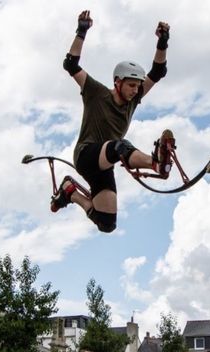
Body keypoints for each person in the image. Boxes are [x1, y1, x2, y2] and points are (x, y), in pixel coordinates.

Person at [51, 10, 172, 233]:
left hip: (104, 165)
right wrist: (82, 30)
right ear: (118, 83)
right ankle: (156, 162)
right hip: (87, 155)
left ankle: (70, 192)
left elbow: (158, 71)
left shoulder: (134, 99)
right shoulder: (96, 92)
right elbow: (71, 65)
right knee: (119, 146)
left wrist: (162, 42)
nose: (136, 91)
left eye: (138, 87)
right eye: (131, 86)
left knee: (106, 224)